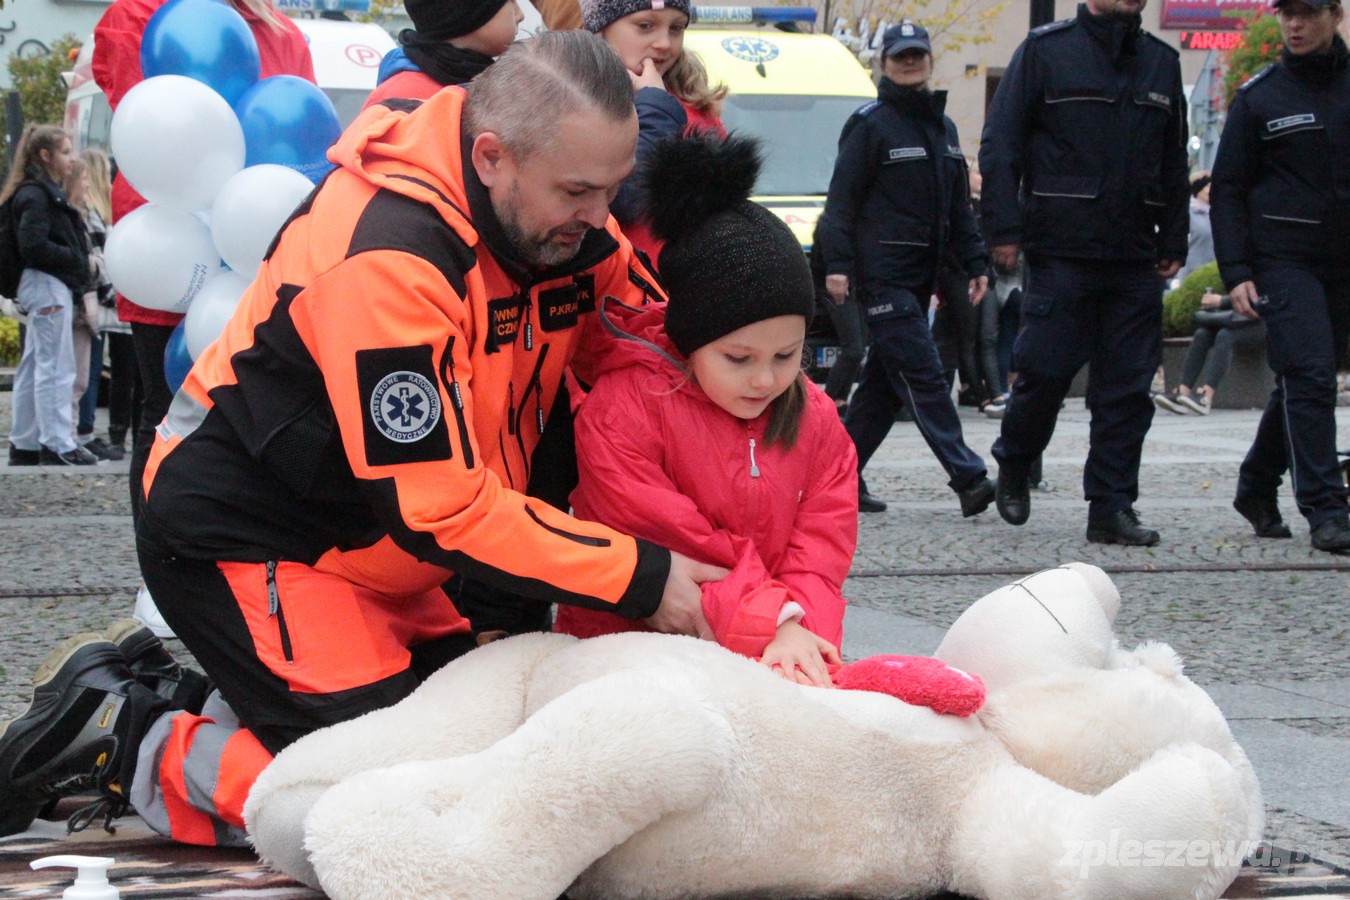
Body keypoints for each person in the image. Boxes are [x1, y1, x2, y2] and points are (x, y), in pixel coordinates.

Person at [0, 32, 726, 844]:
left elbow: (652, 343)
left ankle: (233, 702)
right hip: (259, 540)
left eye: (612, 190)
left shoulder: (553, 215)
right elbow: (440, 506)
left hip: (387, 548)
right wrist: (638, 574)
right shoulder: (389, 254)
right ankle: (137, 739)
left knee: (493, 758)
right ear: (491, 158)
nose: (600, 221)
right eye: (579, 193)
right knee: (388, 806)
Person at [555, 135, 855, 688]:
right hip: (624, 662)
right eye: (739, 358)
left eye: (788, 356)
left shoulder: (816, 420)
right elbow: (683, 547)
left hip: (770, 654)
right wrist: (779, 623)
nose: (765, 379)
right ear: (690, 338)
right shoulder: (625, 409)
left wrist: (803, 632)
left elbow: (820, 552)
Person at [93, 0, 316, 520]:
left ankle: (169, 567)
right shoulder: (277, 30)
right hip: (207, 246)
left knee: (166, 414)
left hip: (182, 241)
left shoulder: (141, 14)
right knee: (253, 410)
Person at [978, 0, 1189, 546]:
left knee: (1127, 389)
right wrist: (1003, 229)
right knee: (1044, 372)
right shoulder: (1047, 52)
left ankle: (1111, 507)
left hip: (1135, 253)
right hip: (1062, 248)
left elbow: (1172, 159)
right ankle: (1017, 461)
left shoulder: (1161, 62)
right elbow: (1002, 144)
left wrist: (1175, 234)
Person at [816, 22, 993, 517]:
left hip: (922, 278)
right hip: (883, 275)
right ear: (884, 64)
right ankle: (969, 476)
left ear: (930, 61)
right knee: (923, 372)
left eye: (917, 55)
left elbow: (958, 210)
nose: (909, 63)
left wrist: (976, 261)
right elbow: (841, 203)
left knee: (881, 387)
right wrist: (838, 266)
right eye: (900, 56)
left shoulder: (945, 129)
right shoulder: (870, 124)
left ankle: (835, 480)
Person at [1210, 0, 1350, 553]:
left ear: (1335, 15)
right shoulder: (1260, 96)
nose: (1293, 24)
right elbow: (1228, 189)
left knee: (1302, 375)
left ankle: (1255, 484)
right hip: (1283, 257)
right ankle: (1326, 508)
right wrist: (1237, 270)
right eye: (1286, 13)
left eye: (1306, 13)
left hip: (1343, 261)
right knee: (1312, 374)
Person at [581, 0, 727, 262]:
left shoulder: (696, 109)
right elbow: (624, 201)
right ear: (600, 28)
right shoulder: (576, 107)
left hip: (685, 289)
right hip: (615, 288)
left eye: (676, 28)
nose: (664, 43)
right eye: (645, 26)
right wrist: (654, 103)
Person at [4, 125, 98, 467]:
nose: (71, 159)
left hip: (42, 282)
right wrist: (76, 260)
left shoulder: (33, 192)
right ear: (46, 156)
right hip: (48, 282)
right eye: (65, 152)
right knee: (56, 365)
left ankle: (25, 440)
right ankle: (57, 441)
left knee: (35, 363)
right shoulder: (38, 195)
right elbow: (33, 245)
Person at [80, 148, 137, 462]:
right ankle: (107, 433)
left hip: (114, 304)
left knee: (118, 373)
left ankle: (114, 434)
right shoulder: (98, 212)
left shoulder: (104, 211)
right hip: (113, 303)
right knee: (119, 373)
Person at [365, 0, 524, 108]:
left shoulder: (492, 84)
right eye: (510, 2)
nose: (520, 15)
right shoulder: (401, 101)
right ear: (464, 13)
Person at [1152, 289, 1264, 416]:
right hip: (1240, 319)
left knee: (1224, 335)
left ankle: (1206, 397)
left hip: (1263, 323)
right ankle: (1183, 392)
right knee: (1202, 334)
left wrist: (1222, 301)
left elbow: (1261, 295)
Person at [1176, 171, 1216, 282]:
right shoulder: (1188, 213)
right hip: (1191, 274)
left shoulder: (1219, 213)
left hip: (1215, 272)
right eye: (1208, 187)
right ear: (1198, 190)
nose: (1212, 191)